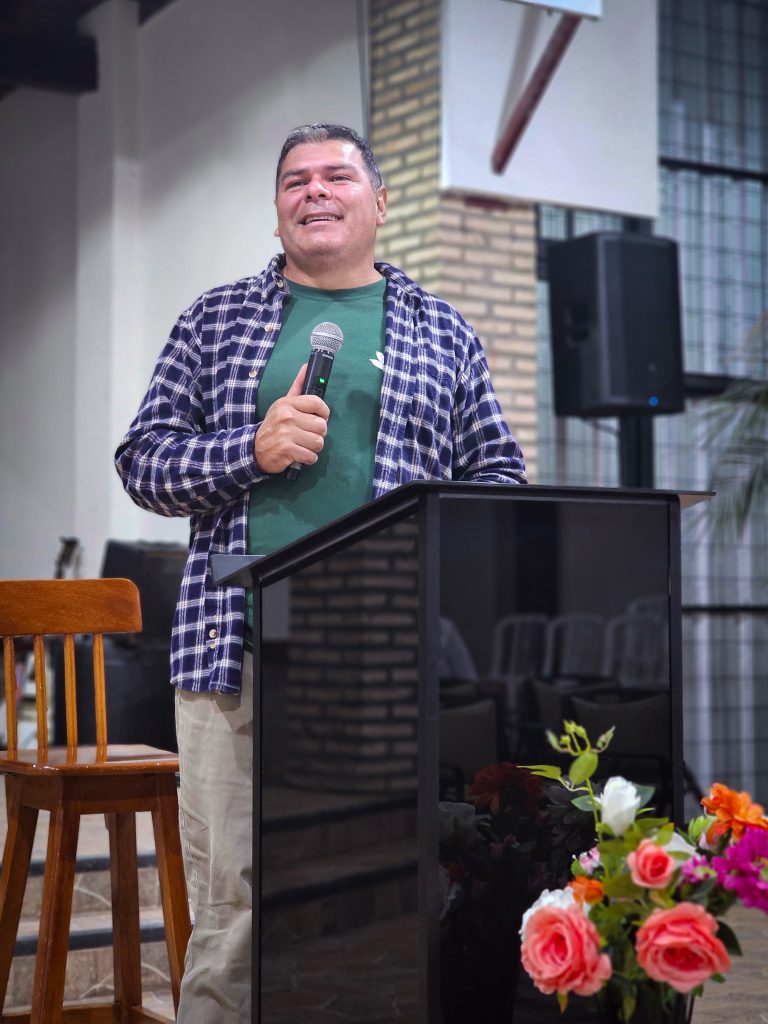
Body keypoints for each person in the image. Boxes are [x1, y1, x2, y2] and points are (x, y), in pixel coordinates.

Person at [115, 123, 525, 1023]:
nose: (315, 191)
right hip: (233, 650)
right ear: (277, 214)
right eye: (295, 180)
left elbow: (500, 475)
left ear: (379, 202)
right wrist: (250, 450)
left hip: (386, 657)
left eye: (337, 175)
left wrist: (432, 546)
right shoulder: (216, 319)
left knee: (380, 899)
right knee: (233, 904)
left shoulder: (443, 331)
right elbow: (142, 463)